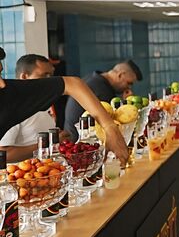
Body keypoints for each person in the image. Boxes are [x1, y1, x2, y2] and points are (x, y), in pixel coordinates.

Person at [0, 47, 129, 164]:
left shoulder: (9, 94)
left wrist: (111, 128)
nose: (2, 84)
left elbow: (72, 84)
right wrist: (48, 143)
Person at [0, 55, 70, 162]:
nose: (50, 81)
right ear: (24, 77)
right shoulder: (13, 105)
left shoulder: (43, 103)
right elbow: (3, 153)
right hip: (24, 176)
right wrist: (49, 143)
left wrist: (58, 137)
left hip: (50, 172)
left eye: (51, 76)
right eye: (44, 75)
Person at [63, 59, 143, 138]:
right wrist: (127, 103)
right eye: (129, 83)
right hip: (81, 141)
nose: (129, 87)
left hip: (73, 136)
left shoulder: (94, 79)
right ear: (120, 75)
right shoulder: (102, 91)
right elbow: (113, 124)